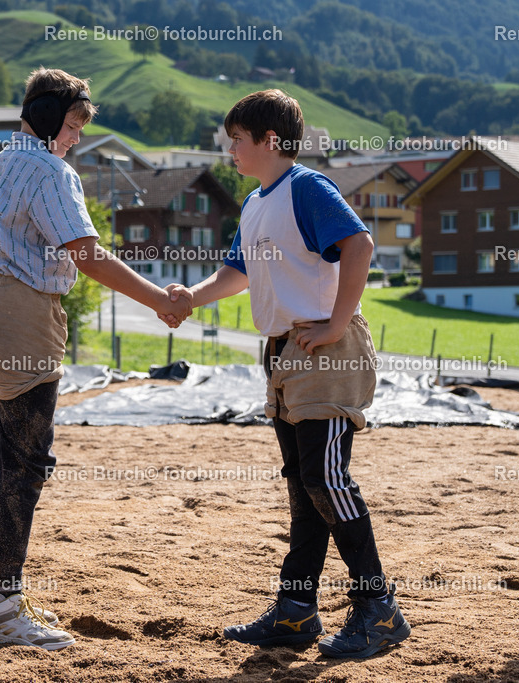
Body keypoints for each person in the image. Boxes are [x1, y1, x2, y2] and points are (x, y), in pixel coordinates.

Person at [170, 89, 410, 658]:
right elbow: (237, 272)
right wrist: (188, 299)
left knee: (327, 482)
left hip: (325, 351)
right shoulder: (256, 203)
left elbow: (359, 245)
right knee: (306, 488)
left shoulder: (307, 187)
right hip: (284, 355)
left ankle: (379, 610)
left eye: (237, 139)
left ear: (270, 141)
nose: (230, 148)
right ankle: (298, 612)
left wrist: (335, 324)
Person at [0, 67, 192, 650]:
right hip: (20, 312)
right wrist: (159, 298)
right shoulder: (49, 168)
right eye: (72, 124)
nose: (78, 138)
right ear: (45, 120)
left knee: (4, 455)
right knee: (28, 462)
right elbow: (87, 255)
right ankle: (4, 608)